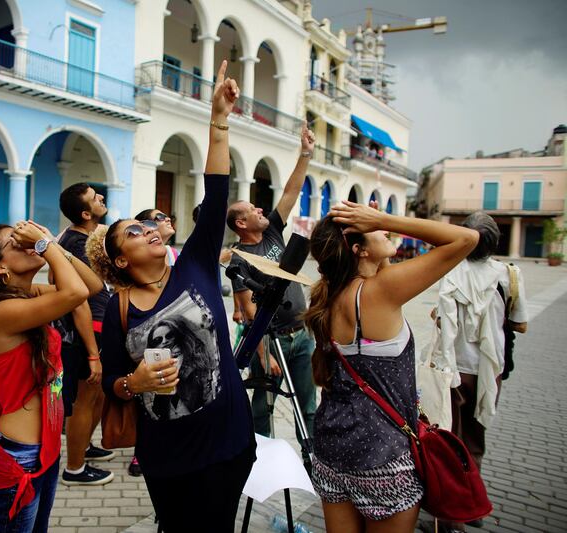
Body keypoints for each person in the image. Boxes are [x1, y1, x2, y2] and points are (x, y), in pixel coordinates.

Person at [87, 60, 254, 532]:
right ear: (121, 260)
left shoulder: (197, 264)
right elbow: (111, 381)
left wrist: (218, 120)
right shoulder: (119, 310)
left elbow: (217, 192)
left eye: (148, 226)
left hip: (228, 438)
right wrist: (133, 384)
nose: (150, 230)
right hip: (168, 454)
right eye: (135, 233)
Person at [305, 201, 478, 532]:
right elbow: (466, 239)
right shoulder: (380, 290)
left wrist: (374, 226)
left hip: (331, 452)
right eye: (376, 231)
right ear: (359, 251)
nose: (384, 229)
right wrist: (385, 218)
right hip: (382, 458)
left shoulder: (328, 295)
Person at [0, 221, 102, 532]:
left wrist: (51, 244)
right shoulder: (0, 313)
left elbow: (91, 288)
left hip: (44, 449)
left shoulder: (27, 294)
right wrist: (46, 247)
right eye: (14, 242)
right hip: (20, 457)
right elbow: (74, 292)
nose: (25, 241)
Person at [432, 212, 528, 533]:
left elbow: (440, 318)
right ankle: (473, 507)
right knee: (475, 439)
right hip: (488, 370)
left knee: (450, 440)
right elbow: (521, 324)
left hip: (452, 369)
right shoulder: (508, 275)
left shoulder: (451, 272)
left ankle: (450, 519)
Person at [227, 123, 317, 452]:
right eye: (252, 210)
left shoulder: (273, 233)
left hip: (301, 336)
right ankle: (259, 456)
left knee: (308, 404)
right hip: (271, 340)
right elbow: (248, 310)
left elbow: (291, 193)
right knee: (262, 406)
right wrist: (263, 352)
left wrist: (305, 154)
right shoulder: (240, 258)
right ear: (241, 223)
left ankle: (312, 459)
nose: (260, 209)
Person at [57, 183, 116, 485]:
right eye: (95, 198)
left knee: (98, 396)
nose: (101, 198)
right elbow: (78, 297)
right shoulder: (75, 243)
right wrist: (92, 351)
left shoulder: (81, 239)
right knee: (84, 399)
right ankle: (75, 468)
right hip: (87, 329)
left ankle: (85, 447)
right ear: (84, 212)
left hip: (98, 325)